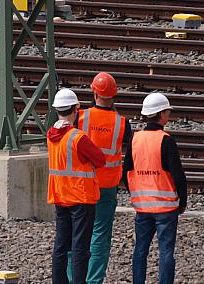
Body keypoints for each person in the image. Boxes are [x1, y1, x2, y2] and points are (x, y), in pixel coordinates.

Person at [125, 93, 187, 284]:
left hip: (142, 207)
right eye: (167, 111)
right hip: (166, 208)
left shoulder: (135, 139)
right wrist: (182, 202)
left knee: (140, 250)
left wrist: (136, 194)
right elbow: (178, 175)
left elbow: (125, 171)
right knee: (166, 252)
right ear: (161, 114)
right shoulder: (166, 140)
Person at [76, 72, 131, 284]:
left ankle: (74, 279)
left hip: (83, 184)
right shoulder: (122, 123)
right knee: (100, 236)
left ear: (94, 91)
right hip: (107, 187)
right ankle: (93, 280)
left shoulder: (80, 117)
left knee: (78, 234)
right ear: (114, 94)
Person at [48, 87, 106, 284]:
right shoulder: (78, 137)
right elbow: (100, 160)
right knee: (80, 247)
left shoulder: (51, 135)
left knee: (61, 246)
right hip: (81, 197)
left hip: (60, 195)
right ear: (76, 109)